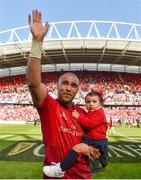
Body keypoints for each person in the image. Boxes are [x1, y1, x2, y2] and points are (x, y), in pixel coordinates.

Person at [26, 10, 100, 179]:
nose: (68, 88)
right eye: (64, 83)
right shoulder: (49, 106)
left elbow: (92, 143)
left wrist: (92, 150)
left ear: (77, 90)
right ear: (57, 87)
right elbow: (33, 82)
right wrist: (37, 42)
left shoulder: (82, 114)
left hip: (83, 176)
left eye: (73, 85)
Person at [43, 90, 109, 177]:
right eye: (88, 102)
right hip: (93, 139)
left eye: (94, 101)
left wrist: (78, 116)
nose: (90, 104)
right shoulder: (92, 112)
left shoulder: (99, 113)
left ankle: (60, 169)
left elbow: (89, 124)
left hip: (95, 140)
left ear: (100, 103)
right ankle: (101, 164)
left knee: (77, 149)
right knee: (97, 156)